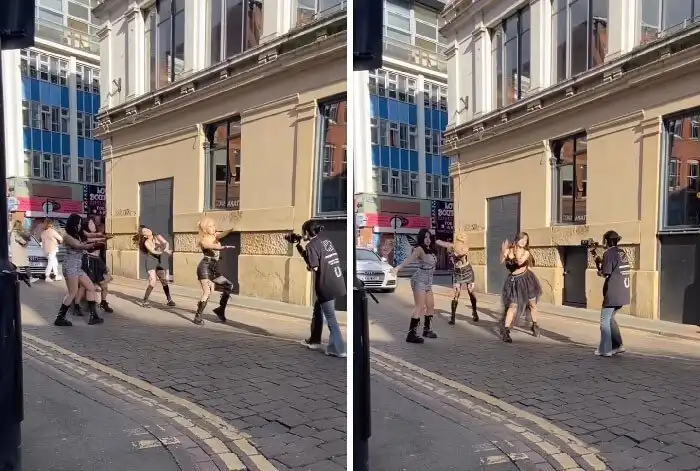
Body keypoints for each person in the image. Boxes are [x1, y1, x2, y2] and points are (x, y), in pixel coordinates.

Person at [298, 220, 347, 358]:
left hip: (326, 285)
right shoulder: (325, 240)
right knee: (318, 309)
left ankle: (337, 349)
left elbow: (314, 267)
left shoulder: (311, 245)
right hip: (336, 281)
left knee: (330, 317)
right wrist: (301, 250)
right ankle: (314, 341)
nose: (302, 234)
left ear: (307, 232)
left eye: (303, 231)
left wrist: (308, 264)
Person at [53, 214, 106, 327]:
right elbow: (78, 246)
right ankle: (60, 318)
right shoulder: (67, 236)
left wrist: (101, 238)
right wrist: (95, 244)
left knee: (90, 287)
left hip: (77, 267)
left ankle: (93, 316)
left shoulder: (77, 234)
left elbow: (86, 240)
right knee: (73, 292)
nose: (80, 225)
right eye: (79, 223)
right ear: (73, 224)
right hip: (70, 266)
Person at [391, 228, 439, 344]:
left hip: (428, 281)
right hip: (419, 280)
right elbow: (409, 259)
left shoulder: (430, 249)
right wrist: (397, 268)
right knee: (420, 307)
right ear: (421, 238)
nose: (427, 239)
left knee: (430, 305)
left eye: (429, 237)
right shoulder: (419, 249)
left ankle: (427, 330)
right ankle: (411, 334)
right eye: (425, 237)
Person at [500, 232, 542, 343]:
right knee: (512, 305)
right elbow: (502, 261)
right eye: (522, 239)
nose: (524, 242)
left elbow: (519, 262)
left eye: (526, 240)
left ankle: (535, 325)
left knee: (532, 304)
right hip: (514, 281)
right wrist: (503, 251)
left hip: (526, 280)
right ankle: (506, 331)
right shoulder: (509, 250)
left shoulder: (526, 252)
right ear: (517, 239)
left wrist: (516, 252)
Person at [194, 218, 235, 325]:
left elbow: (222, 234)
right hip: (205, 268)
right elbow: (209, 246)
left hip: (213, 269)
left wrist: (232, 228)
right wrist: (221, 247)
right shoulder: (203, 240)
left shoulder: (215, 235)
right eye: (210, 226)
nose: (213, 228)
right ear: (205, 229)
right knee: (207, 292)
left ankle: (220, 310)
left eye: (214, 225)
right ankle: (198, 316)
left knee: (228, 285)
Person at [595, 230, 630, 357]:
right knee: (611, 319)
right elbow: (614, 268)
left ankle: (606, 349)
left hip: (613, 293)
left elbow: (605, 273)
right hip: (623, 292)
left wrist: (599, 272)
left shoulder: (608, 253)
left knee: (604, 320)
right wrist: (601, 261)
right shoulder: (621, 252)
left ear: (606, 241)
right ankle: (618, 346)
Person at [442, 232, 479, 325]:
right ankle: (453, 317)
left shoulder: (465, 247)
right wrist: (450, 250)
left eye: (462, 238)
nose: (461, 239)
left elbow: (462, 254)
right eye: (459, 237)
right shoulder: (452, 247)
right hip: (457, 272)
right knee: (456, 293)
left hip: (467, 270)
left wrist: (455, 252)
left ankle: (474, 311)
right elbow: (449, 254)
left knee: (471, 292)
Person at [79, 216, 114, 313]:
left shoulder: (98, 234)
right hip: (88, 262)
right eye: (92, 222)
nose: (94, 224)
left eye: (94, 222)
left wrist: (103, 238)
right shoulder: (83, 234)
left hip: (97, 262)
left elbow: (99, 244)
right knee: (86, 286)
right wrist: (102, 239)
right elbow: (88, 243)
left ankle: (103, 302)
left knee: (104, 285)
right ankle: (80, 305)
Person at [137, 225, 176, 308]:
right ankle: (145, 301)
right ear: (144, 235)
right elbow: (154, 252)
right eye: (145, 231)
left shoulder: (158, 236)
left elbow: (166, 243)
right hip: (150, 261)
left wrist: (166, 248)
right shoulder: (146, 242)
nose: (148, 231)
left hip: (159, 262)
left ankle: (169, 300)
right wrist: (164, 250)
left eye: (148, 229)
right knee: (153, 280)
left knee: (164, 281)